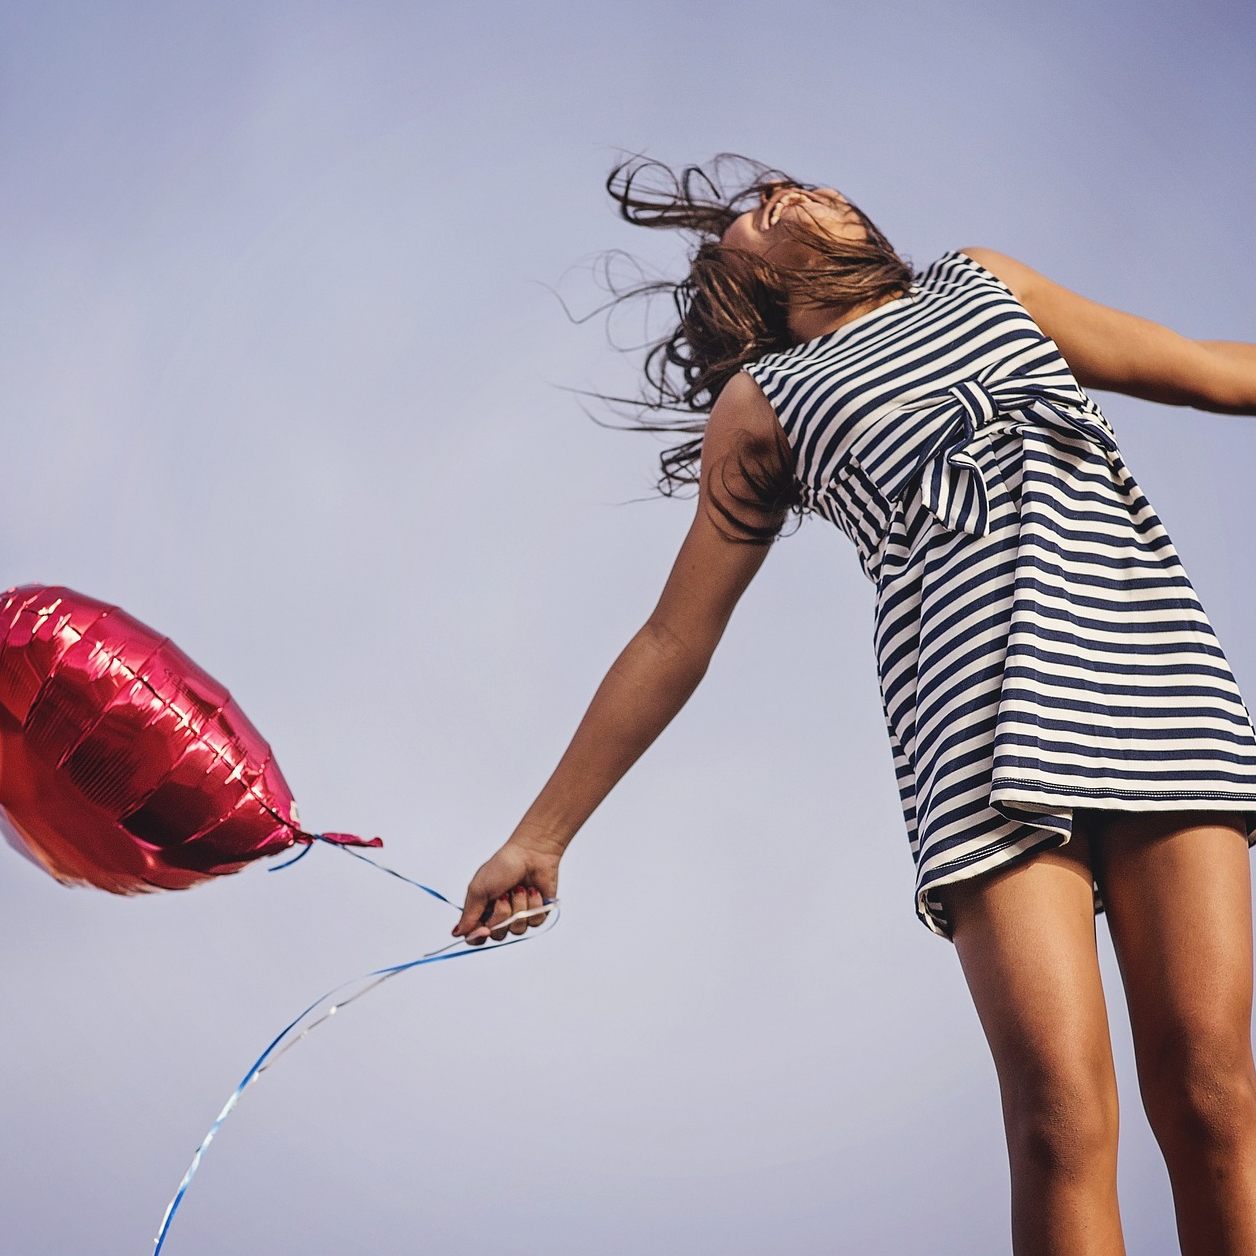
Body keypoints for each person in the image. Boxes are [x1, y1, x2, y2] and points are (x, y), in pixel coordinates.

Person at [450, 153, 1256, 1253]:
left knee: (1211, 1090)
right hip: (974, 732)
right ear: (748, 286)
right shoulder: (765, 400)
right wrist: (539, 835)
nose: (788, 198)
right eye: (757, 217)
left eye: (796, 187)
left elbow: (1209, 368)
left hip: (1151, 676)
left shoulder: (983, 285)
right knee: (1058, 1121)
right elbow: (673, 637)